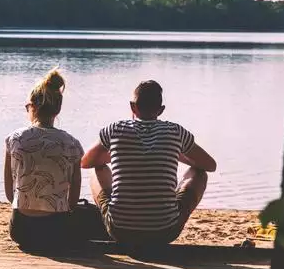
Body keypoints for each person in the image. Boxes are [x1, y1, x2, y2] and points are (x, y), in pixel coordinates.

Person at [81, 80, 217, 246]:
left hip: (120, 230)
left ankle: (118, 212)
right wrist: (175, 152)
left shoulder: (115, 129)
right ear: (161, 110)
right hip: (165, 231)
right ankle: (163, 211)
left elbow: (86, 162)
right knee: (199, 173)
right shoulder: (176, 131)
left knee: (97, 168)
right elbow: (210, 165)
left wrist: (119, 153)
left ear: (133, 107)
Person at [4, 68, 84, 249]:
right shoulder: (71, 143)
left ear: (33, 107)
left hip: (21, 229)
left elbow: (10, 194)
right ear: (58, 110)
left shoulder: (14, 139)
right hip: (55, 230)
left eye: (27, 107)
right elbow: (73, 201)